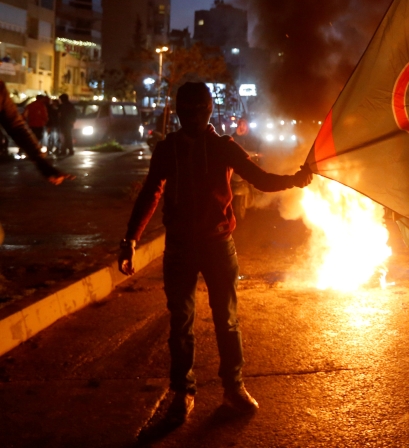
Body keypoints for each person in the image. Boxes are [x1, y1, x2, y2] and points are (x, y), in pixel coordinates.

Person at [118, 82, 312, 425]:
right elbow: (150, 193)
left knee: (227, 320)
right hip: (179, 247)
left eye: (198, 109)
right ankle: (182, 392)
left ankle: (233, 388)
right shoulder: (168, 149)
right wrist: (130, 239)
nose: (192, 116)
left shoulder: (223, 148)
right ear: (178, 111)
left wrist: (295, 180)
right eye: (186, 110)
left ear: (208, 111)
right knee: (181, 323)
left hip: (218, 245)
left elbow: (260, 179)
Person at [0, 82, 70, 184]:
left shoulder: (2, 89)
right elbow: (17, 125)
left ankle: (22, 153)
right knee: (38, 138)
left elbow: (17, 124)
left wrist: (43, 164)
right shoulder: (42, 106)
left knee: (37, 138)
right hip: (38, 125)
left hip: (33, 125)